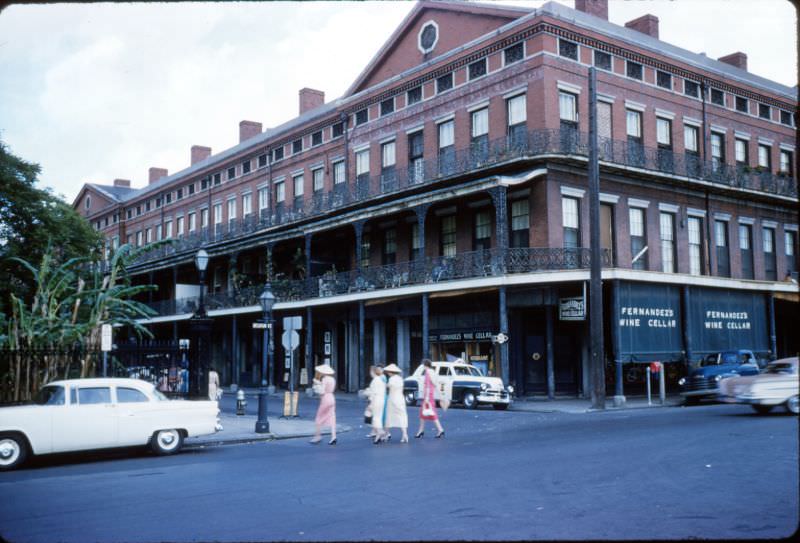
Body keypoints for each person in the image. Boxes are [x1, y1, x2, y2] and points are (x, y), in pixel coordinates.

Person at [416, 359, 445, 439]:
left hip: (427, 395)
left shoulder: (428, 372)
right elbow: (435, 384)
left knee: (431, 413)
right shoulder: (433, 372)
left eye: (423, 365)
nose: (422, 366)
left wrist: (427, 398)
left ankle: (439, 429)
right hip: (430, 394)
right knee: (424, 413)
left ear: (425, 365)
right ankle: (421, 430)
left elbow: (428, 385)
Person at [310, 365, 337, 445]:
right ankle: (333, 436)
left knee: (318, 417)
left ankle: (317, 436)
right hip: (332, 397)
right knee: (332, 417)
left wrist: (316, 385)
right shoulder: (332, 379)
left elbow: (322, 391)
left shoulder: (325, 379)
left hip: (325, 398)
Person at [384, 364, 409, 443]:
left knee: (389, 417)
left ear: (391, 372)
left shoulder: (391, 379)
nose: (388, 373)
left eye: (388, 372)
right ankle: (404, 434)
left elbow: (388, 387)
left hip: (392, 399)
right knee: (402, 416)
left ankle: (386, 434)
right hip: (400, 399)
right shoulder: (400, 379)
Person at [366, 365, 389, 444]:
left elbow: (372, 393)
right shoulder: (381, 380)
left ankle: (380, 432)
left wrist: (370, 402)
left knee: (376, 418)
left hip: (376, 400)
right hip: (382, 400)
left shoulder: (375, 380)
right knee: (378, 417)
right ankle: (378, 436)